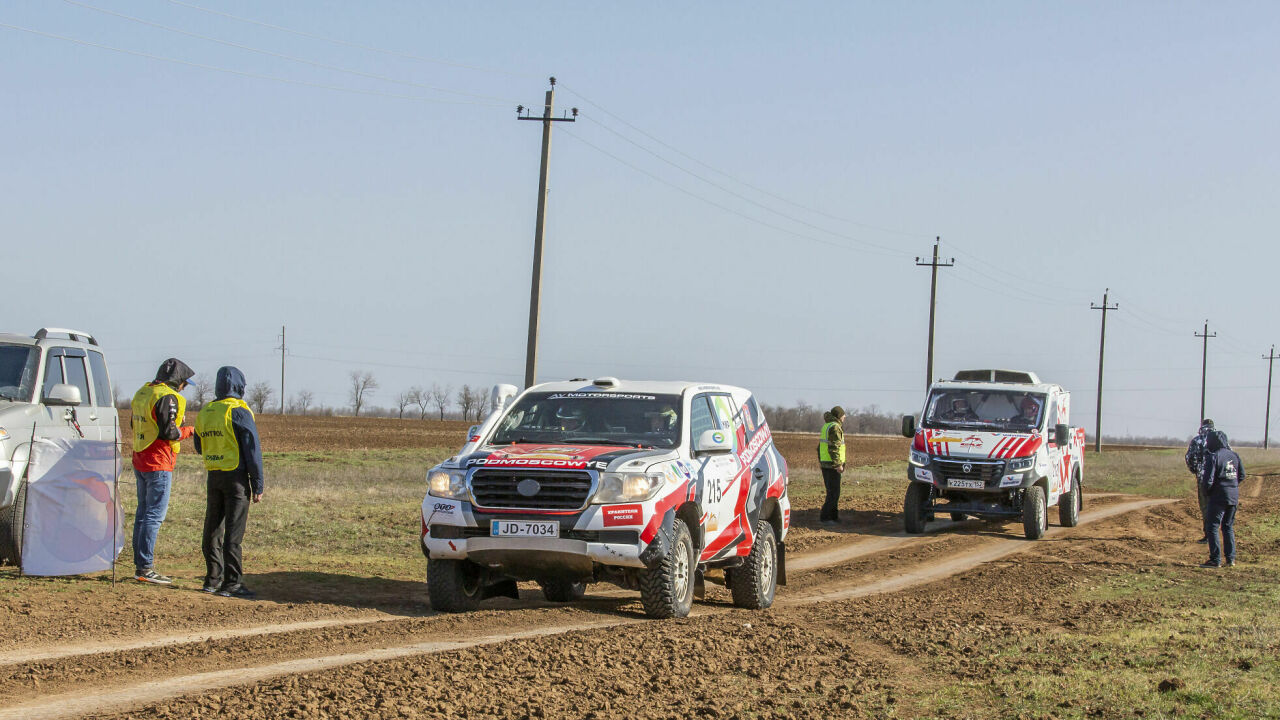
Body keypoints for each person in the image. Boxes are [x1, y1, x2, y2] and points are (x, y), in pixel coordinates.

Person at [194, 366, 264, 598]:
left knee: (212, 529)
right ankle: (232, 583)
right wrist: (258, 484)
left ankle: (212, 579)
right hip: (237, 478)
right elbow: (252, 450)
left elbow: (198, 445)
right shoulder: (240, 411)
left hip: (214, 476)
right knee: (234, 533)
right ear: (239, 386)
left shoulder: (206, 411)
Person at [129, 358, 196, 584]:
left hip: (140, 457)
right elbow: (169, 432)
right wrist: (188, 431)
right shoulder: (169, 397)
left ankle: (140, 565)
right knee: (154, 516)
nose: (184, 388)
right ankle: (145, 568)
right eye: (184, 384)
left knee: (143, 513)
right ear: (178, 382)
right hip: (159, 461)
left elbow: (134, 424)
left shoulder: (144, 392)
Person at [1198, 429, 1243, 568]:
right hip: (1233, 495)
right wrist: (1232, 486)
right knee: (1228, 526)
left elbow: (1208, 480)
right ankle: (1230, 559)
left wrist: (1208, 492)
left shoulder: (1214, 456)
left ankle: (1215, 559)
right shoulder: (1234, 455)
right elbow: (1241, 475)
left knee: (1212, 527)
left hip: (1218, 496)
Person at [1185, 418, 1215, 543]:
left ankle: (1208, 535)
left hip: (1203, 479)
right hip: (1218, 479)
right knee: (1217, 506)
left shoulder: (1197, 440)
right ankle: (1217, 534)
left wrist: (1196, 471)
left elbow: (1189, 458)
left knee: (1205, 507)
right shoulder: (1219, 439)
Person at [817, 406, 846, 525]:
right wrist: (838, 464)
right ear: (839, 416)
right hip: (832, 465)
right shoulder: (835, 427)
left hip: (826, 463)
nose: (845, 417)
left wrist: (822, 461)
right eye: (843, 415)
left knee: (833, 491)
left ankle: (834, 516)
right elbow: (833, 447)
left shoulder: (827, 425)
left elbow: (819, 448)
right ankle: (826, 517)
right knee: (834, 492)